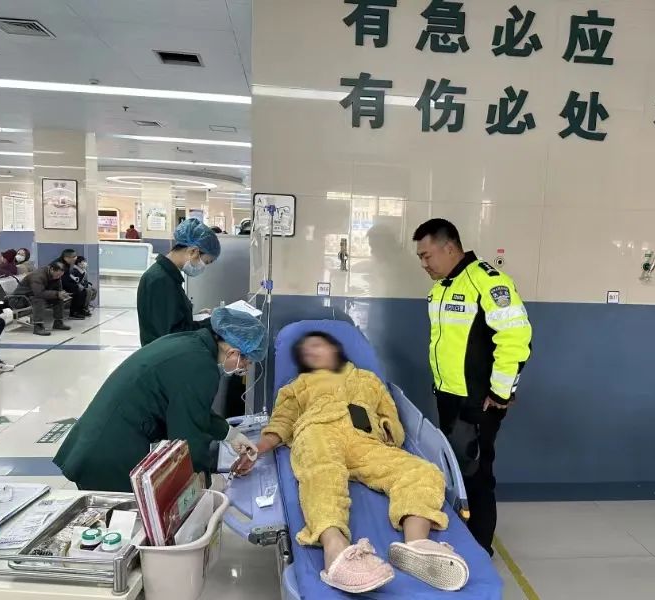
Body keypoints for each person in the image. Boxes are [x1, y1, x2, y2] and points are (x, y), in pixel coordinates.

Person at [234, 332, 469, 594]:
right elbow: (281, 423)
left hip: (364, 440)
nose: (311, 353)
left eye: (316, 346)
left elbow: (390, 415)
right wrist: (257, 449)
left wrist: (387, 428)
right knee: (322, 473)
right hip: (318, 431)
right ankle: (335, 550)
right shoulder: (298, 385)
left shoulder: (369, 380)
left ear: (335, 349)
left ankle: (417, 546)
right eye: (305, 353)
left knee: (421, 472)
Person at [412, 219, 532, 557]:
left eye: (426, 255)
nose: (423, 264)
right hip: (449, 396)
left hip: (478, 401)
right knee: (456, 471)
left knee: (476, 474)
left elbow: (515, 338)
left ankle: (479, 550)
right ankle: (463, 538)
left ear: (449, 247)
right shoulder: (442, 287)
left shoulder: (487, 282)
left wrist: (501, 392)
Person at [53, 307, 265, 492]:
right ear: (233, 352)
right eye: (246, 362)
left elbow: (193, 410)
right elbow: (187, 436)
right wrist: (203, 481)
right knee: (121, 521)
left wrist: (231, 434)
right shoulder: (201, 367)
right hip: (110, 454)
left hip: (96, 439)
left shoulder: (190, 343)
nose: (244, 368)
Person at [137, 218, 221, 346]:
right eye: (206, 262)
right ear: (193, 251)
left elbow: (170, 320)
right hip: (163, 354)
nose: (203, 267)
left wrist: (193, 317)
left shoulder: (167, 276)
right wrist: (212, 322)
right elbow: (172, 335)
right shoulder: (160, 280)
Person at [14, 261, 72, 337]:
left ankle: (58, 322)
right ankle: (38, 326)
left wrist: (62, 294)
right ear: (52, 269)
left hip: (32, 296)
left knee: (59, 298)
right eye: (57, 275)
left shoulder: (55, 276)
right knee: (39, 299)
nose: (58, 277)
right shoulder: (38, 276)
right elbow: (39, 293)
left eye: (61, 275)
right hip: (20, 299)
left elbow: (58, 290)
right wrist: (57, 294)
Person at [57, 249, 89, 320]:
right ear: (66, 258)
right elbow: (62, 280)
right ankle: (73, 313)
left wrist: (76, 284)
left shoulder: (67, 264)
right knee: (77, 290)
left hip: (65, 282)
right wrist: (76, 285)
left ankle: (80, 310)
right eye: (73, 257)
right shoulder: (60, 264)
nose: (75, 258)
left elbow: (68, 277)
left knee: (83, 291)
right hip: (59, 285)